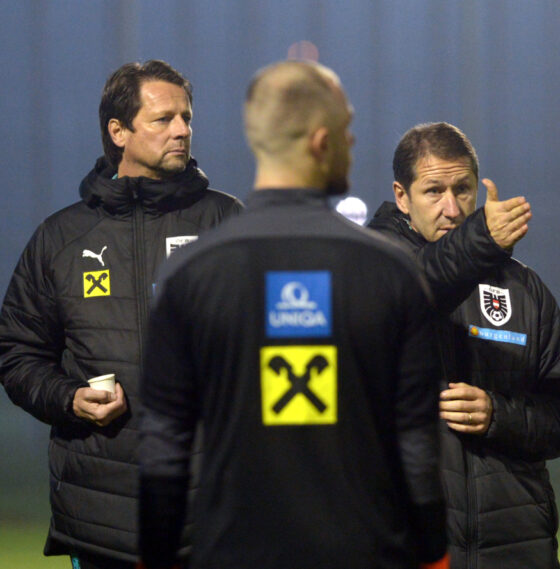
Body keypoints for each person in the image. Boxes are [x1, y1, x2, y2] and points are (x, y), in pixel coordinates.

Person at [137, 61, 448, 569]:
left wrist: (155, 557)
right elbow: (416, 445)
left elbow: (164, 448)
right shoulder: (392, 271)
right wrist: (434, 556)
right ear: (322, 142)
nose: (353, 143)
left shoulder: (190, 274)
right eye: (348, 130)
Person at [0, 60, 242, 569]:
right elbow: (18, 353)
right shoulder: (60, 238)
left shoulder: (227, 222)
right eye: (163, 119)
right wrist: (70, 399)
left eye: (187, 117)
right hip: (101, 523)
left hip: (213, 519)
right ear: (119, 131)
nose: (182, 130)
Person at [368, 122, 560, 569]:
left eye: (463, 189)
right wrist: (480, 242)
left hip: (517, 547)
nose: (452, 208)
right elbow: (413, 290)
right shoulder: (371, 269)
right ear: (401, 197)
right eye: (433, 191)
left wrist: (500, 416)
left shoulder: (525, 290)